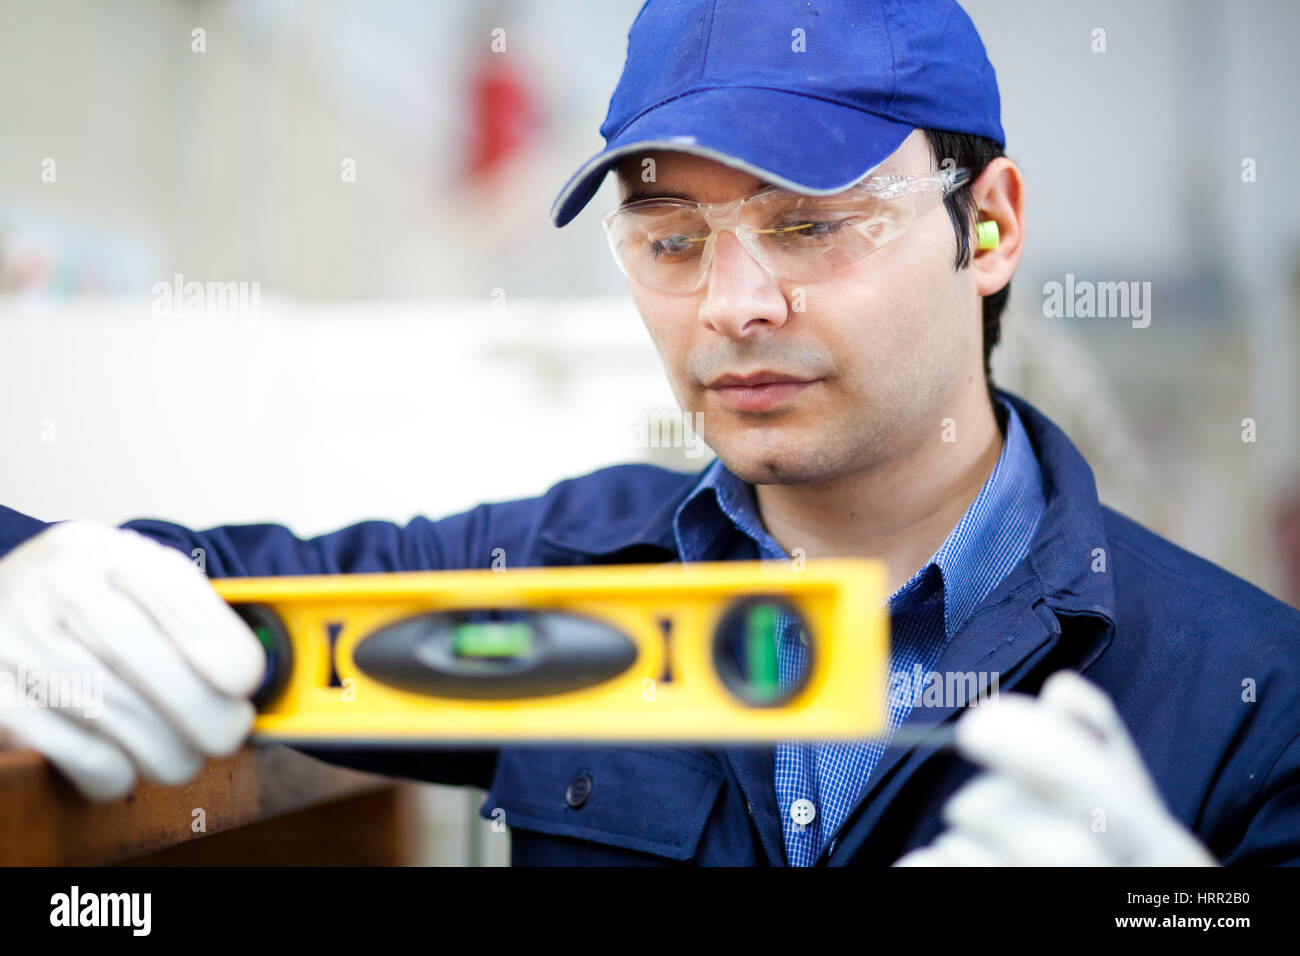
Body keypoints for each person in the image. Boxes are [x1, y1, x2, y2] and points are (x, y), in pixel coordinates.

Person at [1, 0, 1296, 866]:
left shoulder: (1253, 697)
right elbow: (195, 603)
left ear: (992, 226)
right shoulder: (563, 584)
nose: (730, 308)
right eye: (671, 239)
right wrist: (23, 577)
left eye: (810, 224)